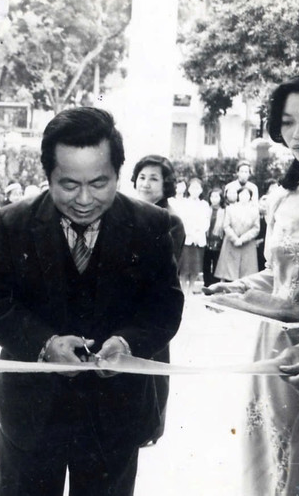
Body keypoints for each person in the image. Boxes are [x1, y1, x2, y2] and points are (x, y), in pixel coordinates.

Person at [0, 107, 184, 496]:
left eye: (99, 183)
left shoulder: (153, 226)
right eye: (69, 184)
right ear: (48, 176)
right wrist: (44, 345)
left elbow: (165, 308)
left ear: (119, 174)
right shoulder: (13, 223)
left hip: (115, 414)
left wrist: (128, 345)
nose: (85, 200)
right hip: (32, 414)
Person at [206, 65, 299, 496]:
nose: (298, 133)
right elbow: (279, 275)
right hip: (272, 356)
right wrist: (240, 290)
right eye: (287, 122)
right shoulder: (282, 196)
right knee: (268, 472)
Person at [129, 154, 185, 447]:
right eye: (142, 177)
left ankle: (152, 427)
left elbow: (165, 268)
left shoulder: (170, 219)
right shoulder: (129, 211)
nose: (146, 183)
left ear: (166, 184)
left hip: (154, 305)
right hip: (130, 304)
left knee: (154, 367)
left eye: (154, 178)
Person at [213, 187, 260, 281]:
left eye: (247, 194)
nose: (244, 197)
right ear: (238, 195)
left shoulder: (254, 210)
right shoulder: (231, 208)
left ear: (250, 197)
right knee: (229, 272)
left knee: (246, 273)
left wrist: (242, 239)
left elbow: (256, 228)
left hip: (247, 244)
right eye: (242, 194)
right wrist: (235, 239)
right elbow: (226, 225)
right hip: (231, 243)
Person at [177, 177, 210, 294]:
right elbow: (182, 220)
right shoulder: (184, 203)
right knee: (184, 267)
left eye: (198, 188)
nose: (195, 190)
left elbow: (206, 222)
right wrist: (190, 233)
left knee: (195, 269)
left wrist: (198, 233)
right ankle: (183, 290)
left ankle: (190, 291)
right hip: (187, 238)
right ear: (188, 189)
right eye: (192, 187)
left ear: (201, 190)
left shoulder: (204, 205)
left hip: (199, 239)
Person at [202, 188, 226, 287]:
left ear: (221, 198)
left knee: (217, 264)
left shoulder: (224, 211)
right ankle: (206, 284)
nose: (214, 199)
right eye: (212, 196)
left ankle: (215, 285)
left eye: (217, 196)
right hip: (206, 240)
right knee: (206, 264)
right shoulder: (206, 209)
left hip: (219, 241)